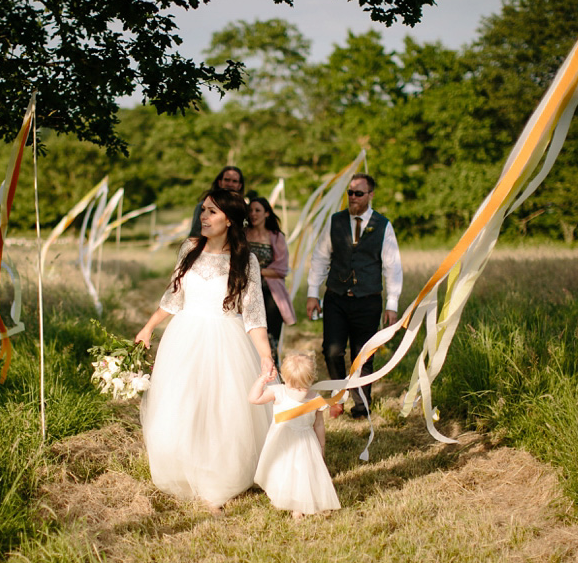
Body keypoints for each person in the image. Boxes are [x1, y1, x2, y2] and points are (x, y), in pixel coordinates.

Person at [136, 188, 275, 512]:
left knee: (220, 412)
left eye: (212, 211)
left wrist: (266, 356)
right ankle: (185, 470)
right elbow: (173, 298)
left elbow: (254, 316)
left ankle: (215, 485)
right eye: (203, 210)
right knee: (181, 405)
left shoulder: (246, 260)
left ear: (228, 219)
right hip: (184, 337)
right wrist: (148, 326)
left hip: (225, 339)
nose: (204, 216)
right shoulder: (189, 248)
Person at [305, 172, 403, 419]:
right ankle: (337, 397)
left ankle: (362, 405)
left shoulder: (383, 226)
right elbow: (320, 257)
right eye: (350, 192)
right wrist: (312, 293)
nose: (353, 197)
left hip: (368, 299)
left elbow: (392, 266)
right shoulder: (335, 221)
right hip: (336, 296)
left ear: (370, 195)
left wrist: (392, 303)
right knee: (331, 350)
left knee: (363, 353)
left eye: (358, 193)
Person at [248, 352, 340, 519]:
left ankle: (298, 506)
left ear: (311, 380)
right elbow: (254, 398)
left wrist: (322, 446)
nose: (298, 391)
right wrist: (262, 379)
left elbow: (318, 424)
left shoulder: (315, 398)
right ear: (285, 379)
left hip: (305, 442)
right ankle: (283, 496)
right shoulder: (279, 392)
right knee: (282, 471)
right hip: (283, 442)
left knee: (302, 473)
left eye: (302, 387)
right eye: (293, 386)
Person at [245, 197, 296, 369]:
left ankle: (273, 375)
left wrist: (256, 271)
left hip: (271, 294)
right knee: (247, 337)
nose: (253, 214)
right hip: (246, 294)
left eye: (257, 210)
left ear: (267, 213)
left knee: (270, 338)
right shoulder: (242, 234)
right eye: (251, 210)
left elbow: (281, 269)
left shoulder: (276, 237)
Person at [189, 166, 245, 237]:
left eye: (234, 181)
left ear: (239, 186)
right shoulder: (204, 206)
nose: (230, 184)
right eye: (227, 180)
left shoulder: (244, 208)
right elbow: (195, 234)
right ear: (220, 182)